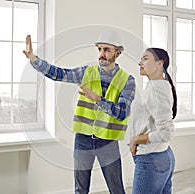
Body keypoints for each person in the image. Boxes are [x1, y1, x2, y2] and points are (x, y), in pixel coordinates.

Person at [23, 31, 136, 194]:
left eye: (107, 50)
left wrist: (97, 99)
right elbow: (59, 74)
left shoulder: (127, 80)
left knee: (116, 189)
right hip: (83, 140)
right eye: (99, 49)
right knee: (80, 190)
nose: (101, 54)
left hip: (108, 143)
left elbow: (122, 113)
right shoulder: (86, 72)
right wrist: (34, 59)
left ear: (118, 53)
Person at [128, 48, 177, 194]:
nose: (139, 62)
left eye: (145, 58)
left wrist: (135, 140)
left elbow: (165, 132)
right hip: (161, 155)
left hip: (151, 158)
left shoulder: (156, 89)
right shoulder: (159, 85)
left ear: (159, 63)